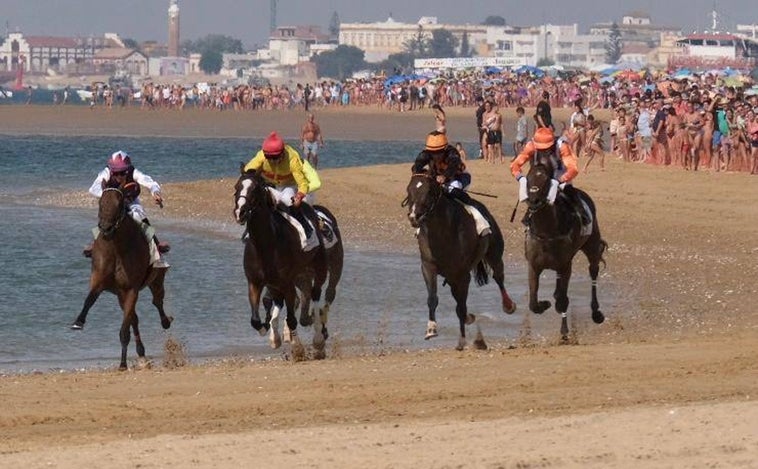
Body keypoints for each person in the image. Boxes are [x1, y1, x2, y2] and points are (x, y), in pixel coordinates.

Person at [86, 151, 169, 268]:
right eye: (116, 173)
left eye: (122, 172)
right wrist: (110, 195)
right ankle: (94, 243)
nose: (119, 176)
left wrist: (155, 192)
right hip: (113, 201)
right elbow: (93, 188)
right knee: (105, 215)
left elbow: (150, 182)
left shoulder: (134, 172)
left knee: (139, 216)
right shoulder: (106, 173)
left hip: (130, 200)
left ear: (128, 169)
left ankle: (156, 247)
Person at [243, 131, 316, 239]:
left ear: (282, 154)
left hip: (289, 185)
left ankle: (305, 226)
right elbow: (248, 171)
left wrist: (299, 196)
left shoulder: (292, 159)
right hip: (269, 184)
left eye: (275, 158)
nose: (272, 161)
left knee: (286, 199)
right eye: (269, 158)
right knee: (256, 199)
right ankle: (249, 229)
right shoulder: (262, 156)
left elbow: (302, 183)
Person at [510, 127, 588, 225]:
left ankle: (582, 216)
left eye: (546, 148)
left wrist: (560, 180)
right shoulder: (531, 146)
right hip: (540, 179)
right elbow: (515, 165)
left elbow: (573, 169)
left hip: (560, 177)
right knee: (534, 198)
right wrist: (520, 178)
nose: (543, 151)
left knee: (570, 193)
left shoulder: (562, 146)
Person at [412, 131, 471, 204]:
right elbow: (416, 167)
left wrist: (444, 176)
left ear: (445, 148)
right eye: (432, 152)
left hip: (459, 177)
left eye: (439, 152)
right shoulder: (426, 154)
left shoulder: (452, 153)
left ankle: (470, 206)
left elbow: (453, 166)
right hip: (438, 179)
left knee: (452, 190)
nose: (435, 155)